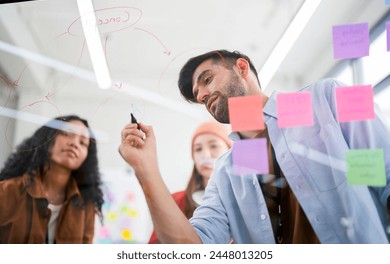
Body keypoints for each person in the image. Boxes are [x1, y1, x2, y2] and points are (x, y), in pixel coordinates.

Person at [119, 50, 390, 244]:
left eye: (207, 79)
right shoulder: (226, 172)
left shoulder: (328, 97)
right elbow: (191, 249)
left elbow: (386, 175)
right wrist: (145, 168)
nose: (202, 95)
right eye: (198, 97)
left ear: (242, 68)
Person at [0, 115, 104, 243]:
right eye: (66, 134)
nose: (74, 143)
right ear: (47, 138)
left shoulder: (86, 206)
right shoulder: (5, 192)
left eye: (83, 143)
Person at [148, 120, 232, 243]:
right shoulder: (176, 201)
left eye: (213, 146)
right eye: (198, 149)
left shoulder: (243, 201)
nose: (205, 155)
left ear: (229, 151)